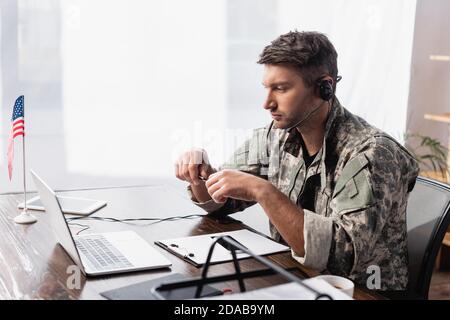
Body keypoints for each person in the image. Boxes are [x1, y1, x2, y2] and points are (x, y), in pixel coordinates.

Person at [174, 31, 419, 291]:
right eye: (267, 88)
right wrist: (200, 174)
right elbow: (223, 202)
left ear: (325, 87)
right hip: (296, 279)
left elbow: (340, 259)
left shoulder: (371, 153)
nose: (267, 103)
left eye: (280, 88)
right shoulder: (276, 134)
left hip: (358, 292)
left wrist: (262, 191)